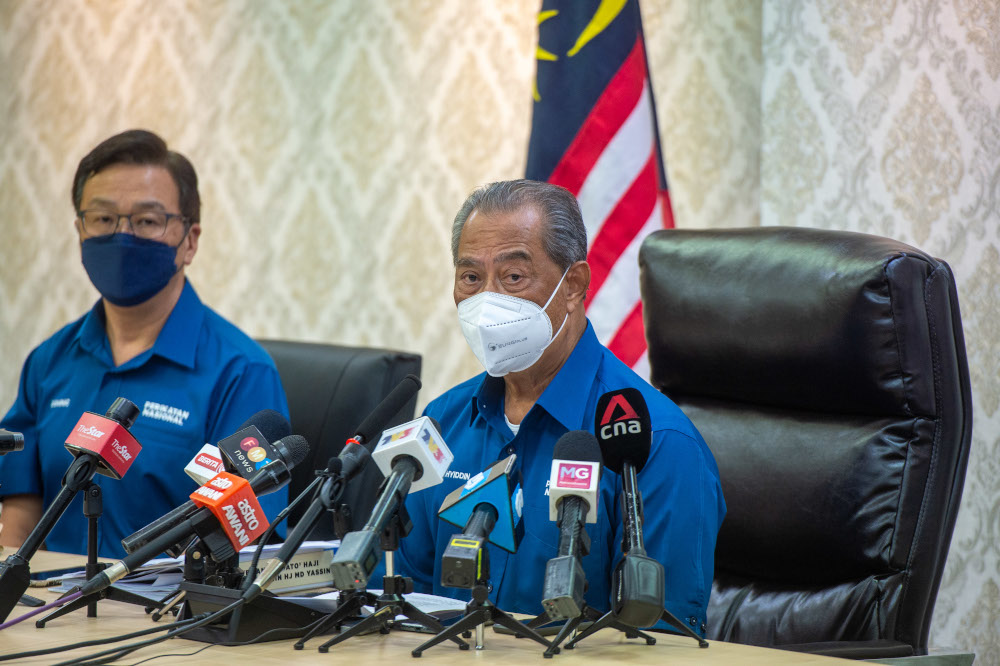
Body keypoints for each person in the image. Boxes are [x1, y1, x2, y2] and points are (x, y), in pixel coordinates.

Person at [394, 180, 725, 635]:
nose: (487, 299)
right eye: (471, 277)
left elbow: (662, 643)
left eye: (513, 277)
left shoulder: (657, 444)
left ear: (573, 285)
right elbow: (399, 605)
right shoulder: (442, 424)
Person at [0, 130, 289, 558]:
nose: (122, 235)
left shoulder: (241, 372)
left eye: (147, 221)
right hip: (44, 612)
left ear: (189, 241)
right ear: (79, 230)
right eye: (102, 219)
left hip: (164, 617)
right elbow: (19, 510)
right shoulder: (49, 361)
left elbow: (246, 535)